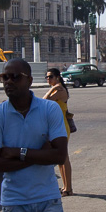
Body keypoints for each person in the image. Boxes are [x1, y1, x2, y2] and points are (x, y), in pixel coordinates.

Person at [0, 59, 69, 212]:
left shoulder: (49, 109)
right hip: (14, 202)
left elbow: (59, 156)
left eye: (15, 77)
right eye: (4, 77)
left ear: (29, 81)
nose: (8, 81)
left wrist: (16, 153)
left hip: (48, 199)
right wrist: (38, 154)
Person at [42, 68, 74, 196]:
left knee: (64, 157)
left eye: (50, 77)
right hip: (56, 126)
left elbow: (44, 101)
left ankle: (69, 188)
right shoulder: (57, 88)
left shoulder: (59, 90)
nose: (48, 79)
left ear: (57, 77)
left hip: (61, 126)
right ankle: (65, 186)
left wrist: (51, 89)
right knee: (60, 158)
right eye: (47, 77)